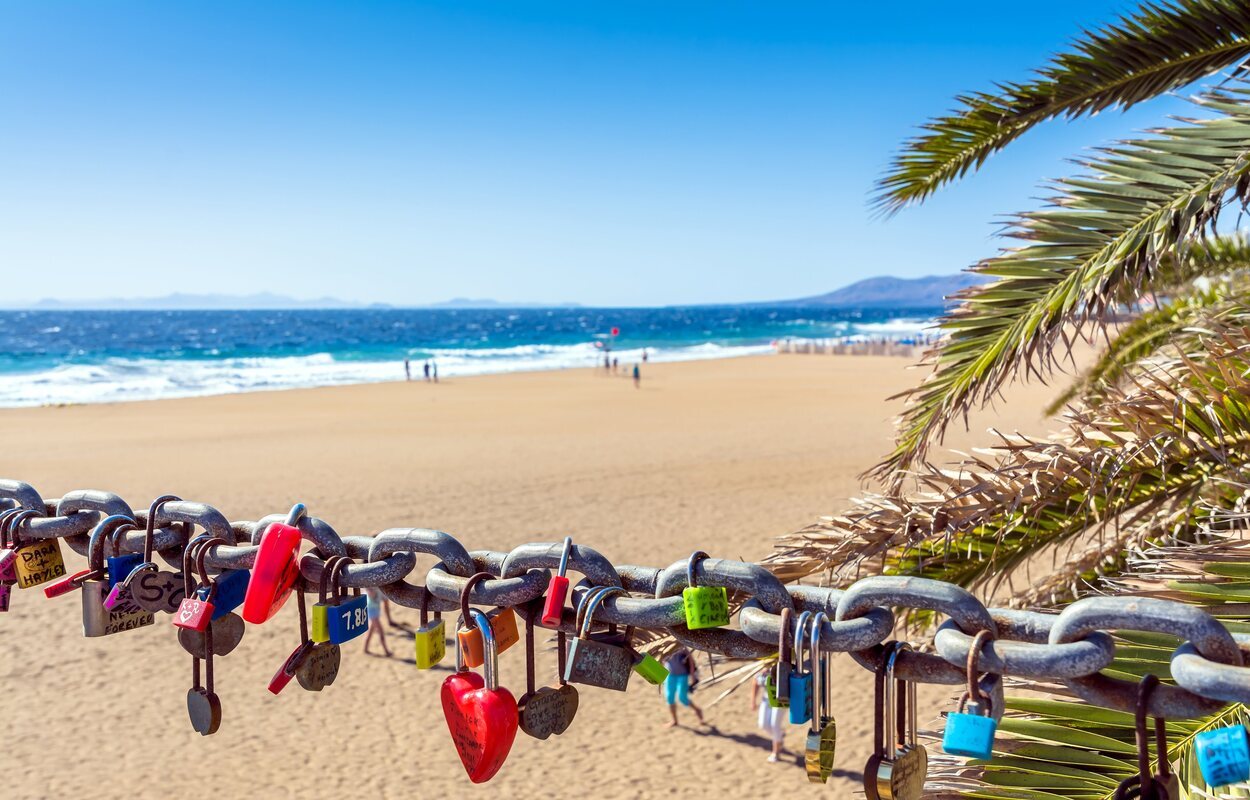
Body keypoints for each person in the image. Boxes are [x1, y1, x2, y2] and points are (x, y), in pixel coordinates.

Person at [662, 647, 705, 727]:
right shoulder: (664, 646)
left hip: (682, 676)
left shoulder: (680, 646)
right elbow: (661, 659)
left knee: (683, 698)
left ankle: (697, 710)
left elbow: (691, 660)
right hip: (670, 676)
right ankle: (674, 720)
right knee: (669, 698)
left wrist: (692, 675)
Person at [750, 670, 786, 762]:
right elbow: (755, 682)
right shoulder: (761, 667)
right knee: (763, 725)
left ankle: (776, 752)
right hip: (766, 699)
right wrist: (753, 701)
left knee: (775, 725)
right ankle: (779, 738)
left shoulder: (779, 665)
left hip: (780, 699)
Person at [363, 585, 393, 657]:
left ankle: (365, 648)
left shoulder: (378, 588)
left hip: (375, 610)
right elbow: (371, 593)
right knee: (380, 631)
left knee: (371, 630)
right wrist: (372, 590)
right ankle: (386, 651)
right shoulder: (371, 589)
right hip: (372, 610)